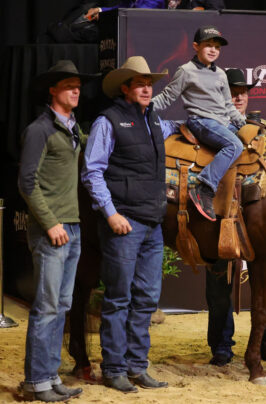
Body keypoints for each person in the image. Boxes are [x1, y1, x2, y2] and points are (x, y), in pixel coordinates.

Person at [81, 56, 176, 393]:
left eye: (150, 83)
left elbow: (176, 128)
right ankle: (114, 368)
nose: (147, 88)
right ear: (125, 88)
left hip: (151, 223)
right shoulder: (109, 121)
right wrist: (110, 214)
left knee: (147, 298)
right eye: (140, 83)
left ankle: (136, 366)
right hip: (124, 221)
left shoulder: (154, 120)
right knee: (119, 298)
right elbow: (92, 172)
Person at [18, 60, 96, 402]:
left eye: (78, 85)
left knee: (61, 305)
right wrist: (50, 223)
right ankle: (35, 382)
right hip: (52, 230)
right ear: (53, 90)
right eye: (68, 85)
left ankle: (50, 376)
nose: (76, 90)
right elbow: (26, 182)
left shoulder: (74, 129)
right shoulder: (40, 129)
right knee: (47, 307)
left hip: (73, 228)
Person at [152, 25, 246, 221]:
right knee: (234, 145)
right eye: (208, 45)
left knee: (249, 138)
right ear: (195, 46)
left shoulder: (221, 73)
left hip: (222, 122)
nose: (213, 50)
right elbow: (167, 98)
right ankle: (204, 187)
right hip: (201, 121)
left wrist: (242, 123)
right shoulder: (186, 71)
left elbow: (228, 106)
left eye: (217, 47)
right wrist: (143, 106)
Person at [205, 68, 258, 367]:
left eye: (243, 92)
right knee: (219, 286)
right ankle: (221, 345)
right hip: (222, 216)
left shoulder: (262, 129)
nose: (238, 96)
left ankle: (261, 343)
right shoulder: (210, 129)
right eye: (232, 91)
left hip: (256, 218)